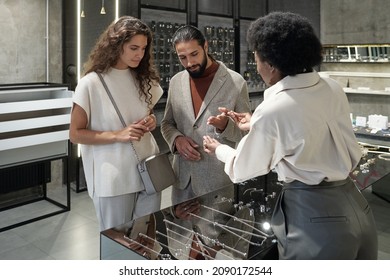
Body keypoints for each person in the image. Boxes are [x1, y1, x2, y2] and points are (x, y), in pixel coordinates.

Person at [203, 11, 378, 260]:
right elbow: (307, 127)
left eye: (257, 59)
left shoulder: (274, 109)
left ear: (271, 66)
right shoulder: (332, 88)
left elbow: (243, 167)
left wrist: (219, 149)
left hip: (315, 219)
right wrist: (257, 125)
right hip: (357, 207)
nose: (257, 65)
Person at [160, 25, 251, 259]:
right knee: (182, 248)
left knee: (216, 252)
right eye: (182, 57)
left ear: (206, 47)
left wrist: (225, 126)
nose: (189, 62)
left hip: (217, 184)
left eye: (194, 54)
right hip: (182, 182)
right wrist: (177, 139)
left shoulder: (235, 82)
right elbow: (167, 124)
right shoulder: (177, 81)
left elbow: (246, 135)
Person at [69, 16, 163, 232]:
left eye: (143, 48)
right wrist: (118, 134)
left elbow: (146, 115)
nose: (140, 54)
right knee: (117, 247)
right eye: (133, 48)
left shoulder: (144, 79)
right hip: (113, 179)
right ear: (116, 45)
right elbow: (75, 134)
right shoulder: (90, 83)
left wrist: (151, 120)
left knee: (145, 241)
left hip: (149, 170)